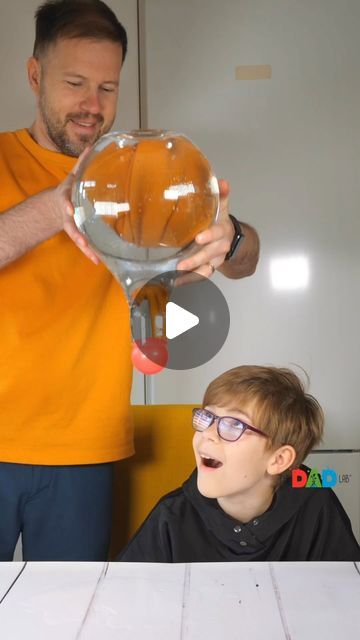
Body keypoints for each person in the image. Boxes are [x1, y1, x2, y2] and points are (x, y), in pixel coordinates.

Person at [0, 0, 260, 561]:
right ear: (35, 75)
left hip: (86, 453)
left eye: (108, 88)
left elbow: (245, 259)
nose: (92, 106)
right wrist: (53, 208)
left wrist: (231, 237)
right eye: (75, 83)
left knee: (77, 618)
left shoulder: (139, 176)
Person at [118, 366, 360, 562]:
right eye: (208, 417)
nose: (208, 433)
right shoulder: (171, 516)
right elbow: (127, 598)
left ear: (278, 460)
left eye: (234, 425)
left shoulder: (317, 505)